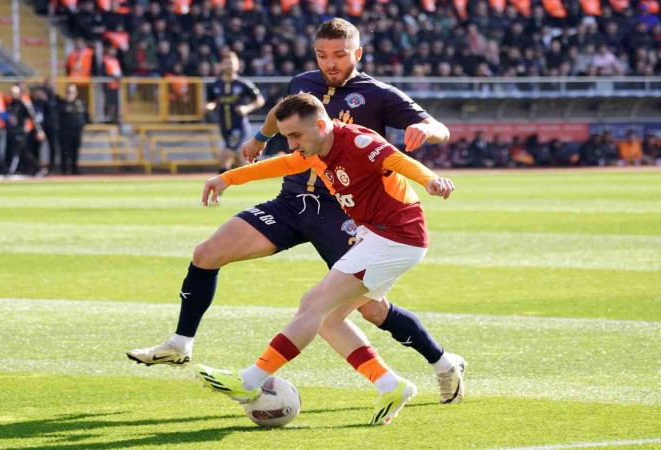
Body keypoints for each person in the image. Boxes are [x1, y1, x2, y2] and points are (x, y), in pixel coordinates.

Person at [127, 18, 466, 404]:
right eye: (322, 55)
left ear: (357, 53)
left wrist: (427, 133)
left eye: (339, 55)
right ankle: (180, 343)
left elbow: (433, 129)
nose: (330, 63)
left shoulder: (379, 95)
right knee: (207, 253)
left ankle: (439, 363)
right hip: (292, 201)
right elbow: (280, 115)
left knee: (366, 309)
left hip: (342, 213)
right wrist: (260, 137)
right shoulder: (304, 84)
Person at [195, 93, 456, 425]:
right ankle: (390, 385)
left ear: (320, 125)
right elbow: (282, 165)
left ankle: (249, 380)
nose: (291, 144)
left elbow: (397, 160)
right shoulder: (315, 150)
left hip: (396, 237)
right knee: (330, 320)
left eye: (295, 136)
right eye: (287, 137)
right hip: (378, 236)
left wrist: (431, 180)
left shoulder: (358, 141)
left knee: (313, 304)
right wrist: (227, 178)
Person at [204, 51, 265, 173]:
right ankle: (253, 175)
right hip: (224, 126)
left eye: (232, 63)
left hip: (239, 126)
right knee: (239, 161)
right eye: (227, 63)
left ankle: (221, 185)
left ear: (238, 65)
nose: (230, 66)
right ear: (221, 65)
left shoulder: (244, 84)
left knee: (224, 157)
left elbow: (260, 100)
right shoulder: (215, 85)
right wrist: (209, 106)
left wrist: (247, 108)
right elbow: (211, 101)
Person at [57, 84, 87, 175]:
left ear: (76, 93)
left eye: (72, 92)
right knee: (65, 151)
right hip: (65, 131)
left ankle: (74, 169)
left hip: (77, 131)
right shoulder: (62, 103)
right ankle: (64, 170)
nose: (70, 94)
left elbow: (86, 115)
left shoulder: (80, 103)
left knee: (75, 151)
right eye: (69, 92)